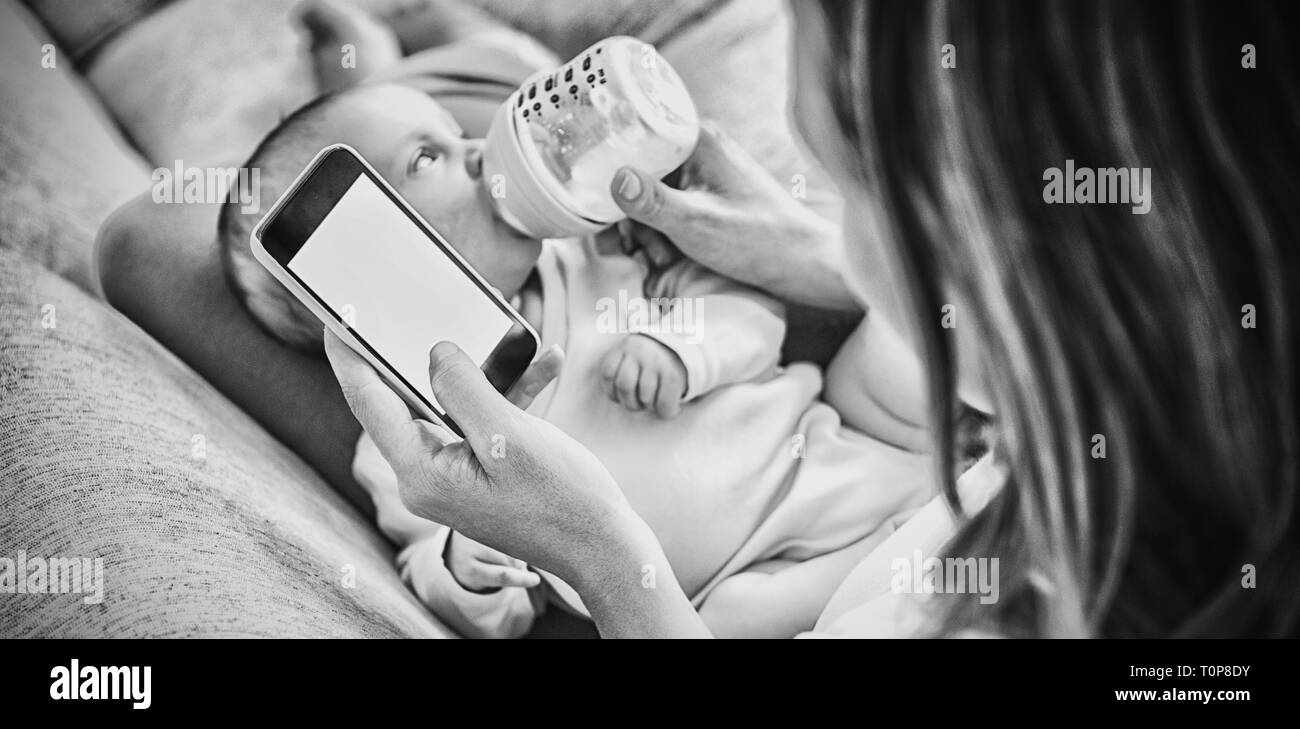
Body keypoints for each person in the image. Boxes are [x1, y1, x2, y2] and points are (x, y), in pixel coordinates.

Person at [325, 0, 1300, 637]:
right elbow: (440, 566)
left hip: (829, 471)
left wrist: (603, 554)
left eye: (848, 179)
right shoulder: (409, 425)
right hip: (764, 569)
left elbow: (742, 320)